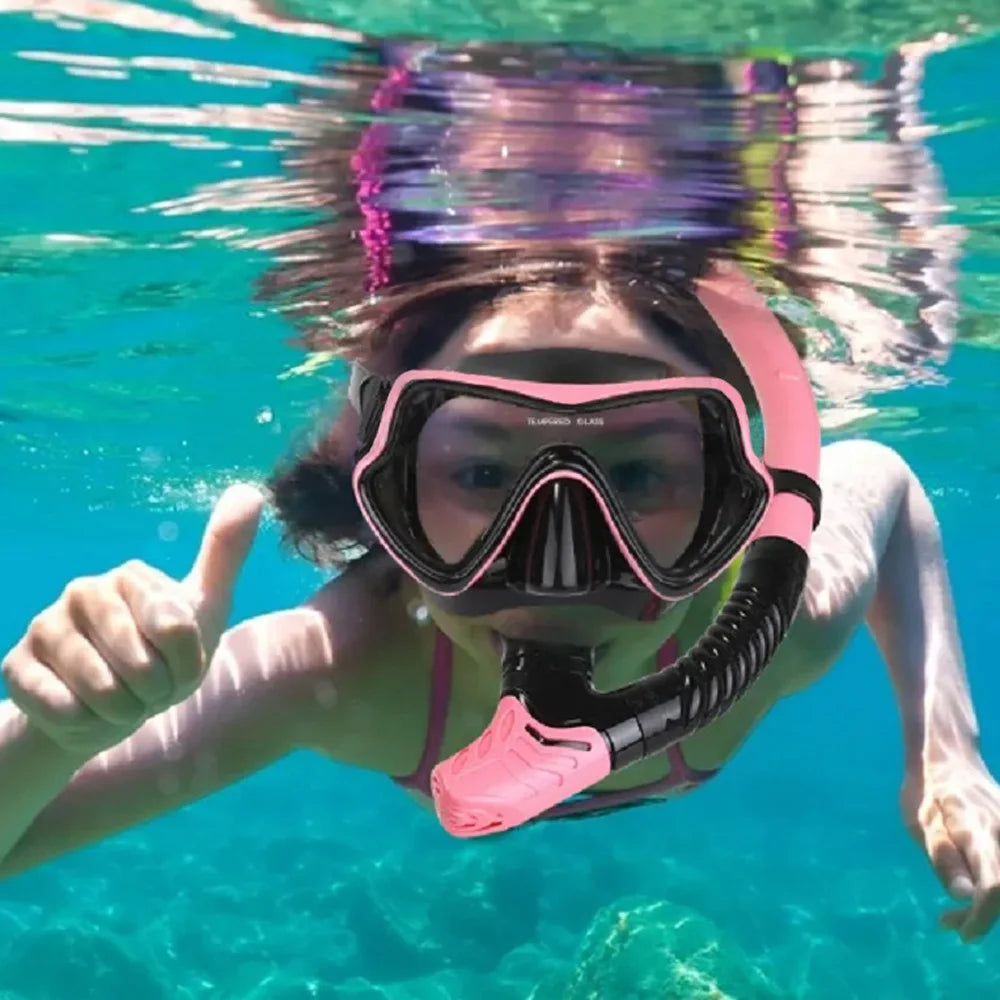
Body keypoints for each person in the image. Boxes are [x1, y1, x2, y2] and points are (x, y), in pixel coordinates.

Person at [3, 37, 1000, 947]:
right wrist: (54, 733)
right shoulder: (337, 667)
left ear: (739, 502)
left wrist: (944, 749)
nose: (561, 563)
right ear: (388, 499)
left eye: (641, 471)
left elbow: (889, 484)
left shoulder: (777, 621)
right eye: (483, 472)